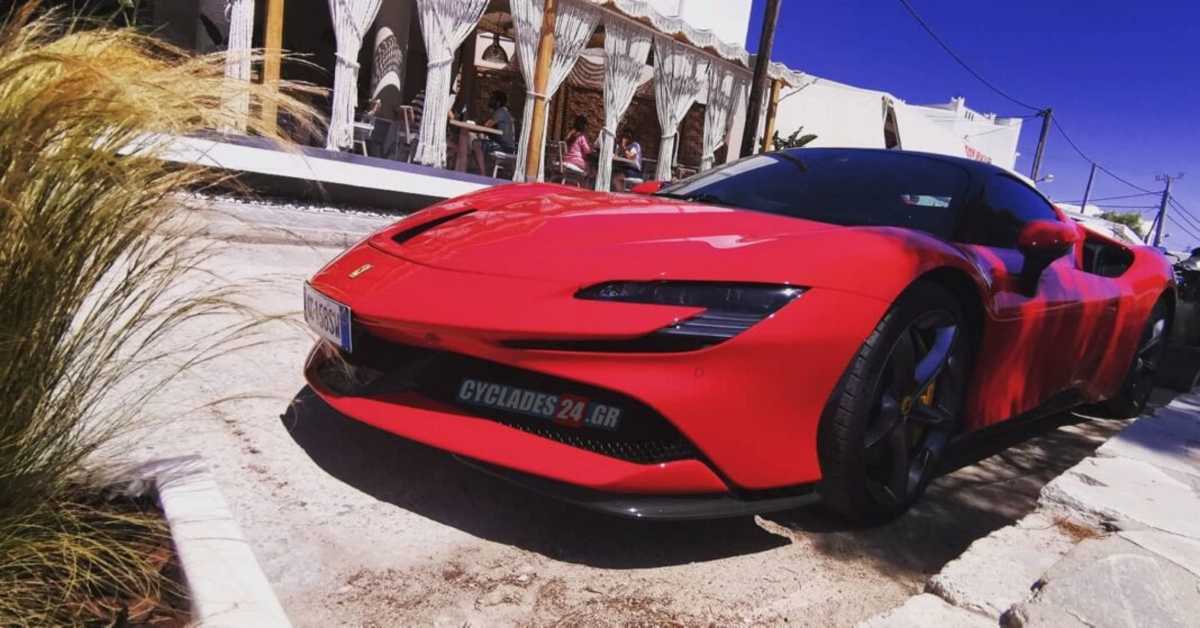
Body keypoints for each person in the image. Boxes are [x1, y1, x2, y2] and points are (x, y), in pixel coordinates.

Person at [471, 90, 516, 174]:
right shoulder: (503, 112)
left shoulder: (500, 112)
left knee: (476, 143)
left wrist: (473, 125)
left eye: (492, 99)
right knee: (480, 141)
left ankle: (482, 173)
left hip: (504, 147)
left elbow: (486, 126)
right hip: (507, 146)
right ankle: (483, 170)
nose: (489, 100)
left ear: (498, 102)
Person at [562, 114, 592, 181]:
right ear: (584, 126)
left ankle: (573, 180)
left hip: (566, 159)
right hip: (576, 161)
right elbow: (587, 151)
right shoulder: (581, 137)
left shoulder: (570, 134)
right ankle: (583, 183)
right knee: (590, 167)